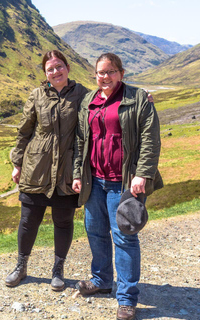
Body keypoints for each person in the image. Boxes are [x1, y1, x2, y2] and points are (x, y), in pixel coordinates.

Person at [72, 53, 163, 320]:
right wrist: (79, 172)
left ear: (121, 73)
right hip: (94, 181)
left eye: (111, 71)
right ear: (95, 75)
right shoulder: (89, 101)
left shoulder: (138, 99)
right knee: (95, 232)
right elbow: (81, 141)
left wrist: (142, 174)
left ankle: (126, 299)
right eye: (101, 72)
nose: (105, 77)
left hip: (124, 183)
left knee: (124, 237)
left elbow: (150, 139)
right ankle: (101, 281)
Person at [6, 50, 88, 291]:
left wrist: (140, 97)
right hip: (37, 167)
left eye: (59, 66)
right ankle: (21, 266)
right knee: (28, 220)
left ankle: (58, 270)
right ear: (45, 73)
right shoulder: (37, 95)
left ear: (68, 67)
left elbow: (108, 99)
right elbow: (24, 131)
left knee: (63, 221)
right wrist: (17, 163)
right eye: (50, 69)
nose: (56, 72)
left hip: (67, 169)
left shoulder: (82, 94)